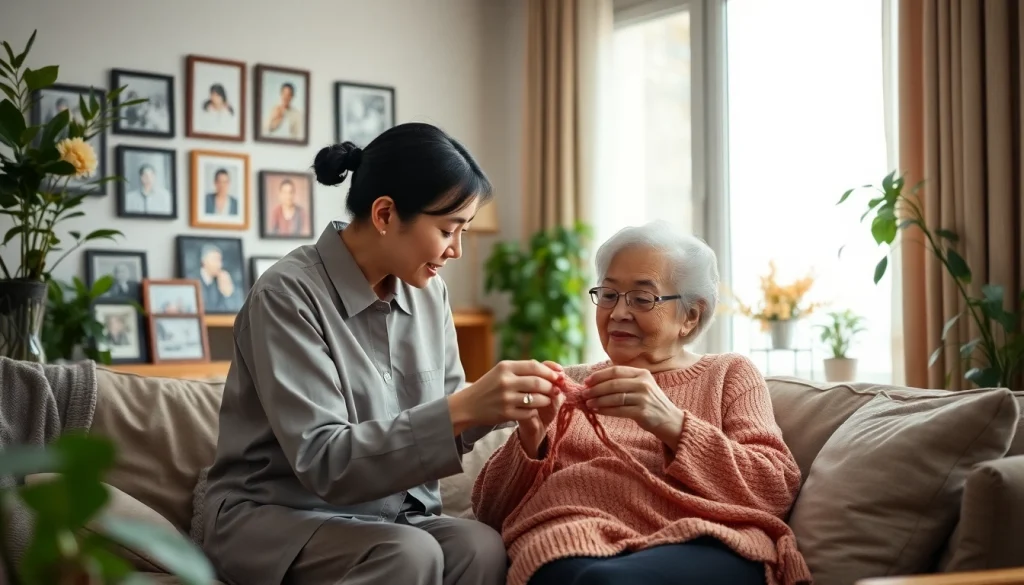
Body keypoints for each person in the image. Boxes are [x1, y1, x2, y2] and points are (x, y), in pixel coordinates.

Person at [202, 122, 564, 585]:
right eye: (448, 230)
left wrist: (507, 405)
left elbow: (449, 417)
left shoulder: (429, 293)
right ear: (386, 214)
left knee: (481, 546)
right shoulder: (287, 295)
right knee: (408, 554)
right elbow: (324, 461)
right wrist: (465, 407)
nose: (456, 250)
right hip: (275, 516)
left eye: (465, 231)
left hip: (386, 517)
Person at [471, 222, 813, 585]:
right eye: (608, 295)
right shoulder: (565, 384)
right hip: (572, 541)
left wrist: (671, 422)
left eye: (641, 298)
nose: (618, 312)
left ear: (690, 316)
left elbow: (774, 489)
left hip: (704, 540)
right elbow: (490, 514)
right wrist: (530, 437)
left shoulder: (728, 374)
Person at [196, 244, 242, 312]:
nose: (220, 265)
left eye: (220, 260)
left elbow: (232, 311)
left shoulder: (222, 281)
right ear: (203, 261)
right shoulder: (192, 280)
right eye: (215, 260)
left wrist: (228, 295)